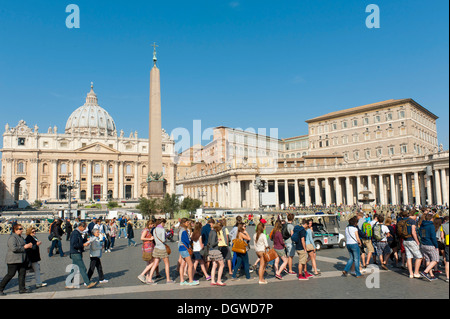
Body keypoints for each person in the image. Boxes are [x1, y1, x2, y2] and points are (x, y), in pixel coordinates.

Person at [0, 224, 34, 295]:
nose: (22, 230)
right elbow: (14, 249)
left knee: (22, 274)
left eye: (22, 228)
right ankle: (0, 288)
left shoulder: (20, 237)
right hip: (13, 260)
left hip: (22, 259)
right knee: (10, 274)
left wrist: (28, 246)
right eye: (20, 229)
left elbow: (23, 245)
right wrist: (25, 247)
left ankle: (22, 289)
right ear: (15, 230)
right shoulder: (12, 238)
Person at [67, 222, 97, 289]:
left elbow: (79, 241)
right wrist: (83, 245)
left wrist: (86, 240)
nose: (84, 229)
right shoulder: (75, 233)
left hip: (75, 253)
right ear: (81, 226)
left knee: (74, 269)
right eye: (84, 228)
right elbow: (74, 244)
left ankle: (68, 283)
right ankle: (88, 283)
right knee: (83, 268)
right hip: (76, 253)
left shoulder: (77, 233)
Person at [147, 219, 174, 284]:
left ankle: (149, 279)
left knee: (155, 263)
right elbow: (163, 240)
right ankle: (168, 279)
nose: (164, 224)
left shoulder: (155, 229)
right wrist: (166, 235)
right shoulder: (162, 230)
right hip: (162, 248)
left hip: (156, 247)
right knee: (167, 263)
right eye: (164, 223)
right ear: (162, 223)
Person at [178, 218, 199, 286]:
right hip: (185, 248)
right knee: (190, 264)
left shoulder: (180, 230)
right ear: (184, 223)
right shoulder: (184, 231)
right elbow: (186, 241)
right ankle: (190, 280)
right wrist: (190, 239)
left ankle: (182, 280)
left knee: (182, 264)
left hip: (181, 248)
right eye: (187, 222)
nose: (188, 224)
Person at [419, 212, 439, 281]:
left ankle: (431, 275)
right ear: (431, 219)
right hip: (430, 244)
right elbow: (433, 237)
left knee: (428, 260)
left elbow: (421, 234)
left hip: (423, 244)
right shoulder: (431, 226)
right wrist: (436, 245)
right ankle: (425, 272)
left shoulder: (422, 225)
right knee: (435, 260)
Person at [440, 216, 449, 283]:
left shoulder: (443, 226)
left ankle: (447, 277)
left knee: (447, 261)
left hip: (447, 244)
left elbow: (442, 237)